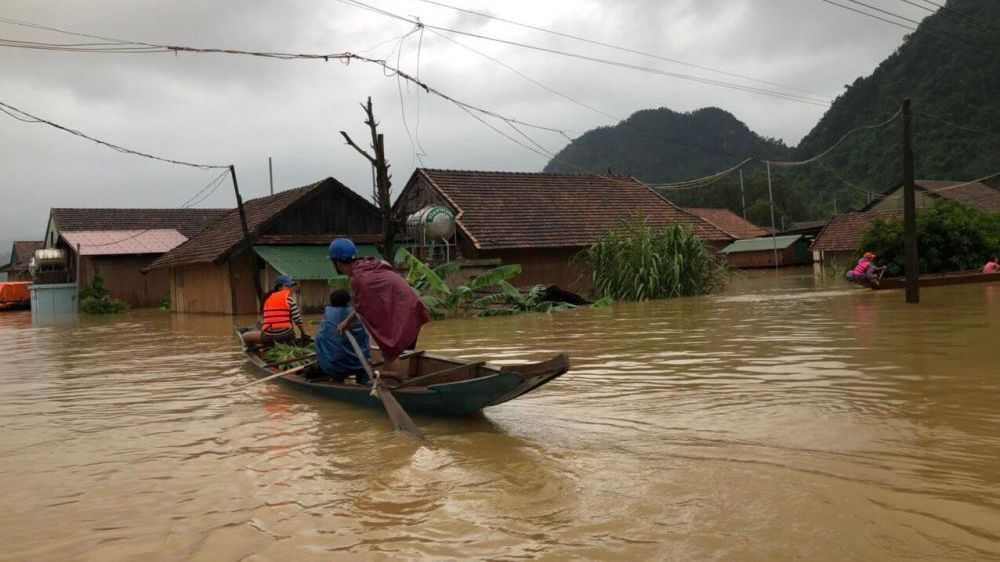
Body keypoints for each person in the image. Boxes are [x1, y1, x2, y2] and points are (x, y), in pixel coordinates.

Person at [328, 238, 430, 369]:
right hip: (412, 309)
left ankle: (393, 382)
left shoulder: (359, 278)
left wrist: (347, 322)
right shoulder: (368, 265)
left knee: (390, 351)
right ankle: (398, 379)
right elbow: (363, 306)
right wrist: (347, 322)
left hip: (404, 314)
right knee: (393, 352)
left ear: (337, 263)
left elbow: (363, 309)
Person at [314, 289, 372, 384]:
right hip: (360, 364)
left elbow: (320, 340)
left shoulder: (327, 318)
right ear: (348, 301)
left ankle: (337, 380)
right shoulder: (356, 316)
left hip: (335, 365)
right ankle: (364, 383)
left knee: (320, 341)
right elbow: (365, 339)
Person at [242, 275, 309, 345]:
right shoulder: (290, 300)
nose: (292, 289)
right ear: (279, 288)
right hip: (288, 336)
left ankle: (256, 350)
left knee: (245, 336)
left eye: (292, 286)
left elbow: (266, 319)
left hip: (269, 336)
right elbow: (298, 321)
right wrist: (303, 333)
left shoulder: (268, 299)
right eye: (288, 286)